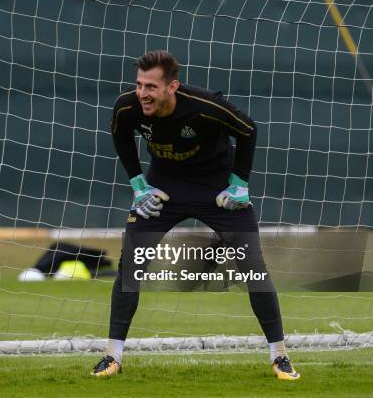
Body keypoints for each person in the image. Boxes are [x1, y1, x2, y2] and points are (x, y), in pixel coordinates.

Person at [90, 50, 300, 380]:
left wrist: (239, 184)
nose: (143, 93)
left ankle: (280, 356)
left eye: (151, 87)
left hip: (218, 193)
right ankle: (112, 356)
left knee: (253, 270)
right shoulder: (127, 106)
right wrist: (138, 184)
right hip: (162, 192)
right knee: (131, 265)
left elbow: (248, 130)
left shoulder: (205, 106)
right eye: (139, 85)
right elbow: (120, 135)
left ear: (172, 86)